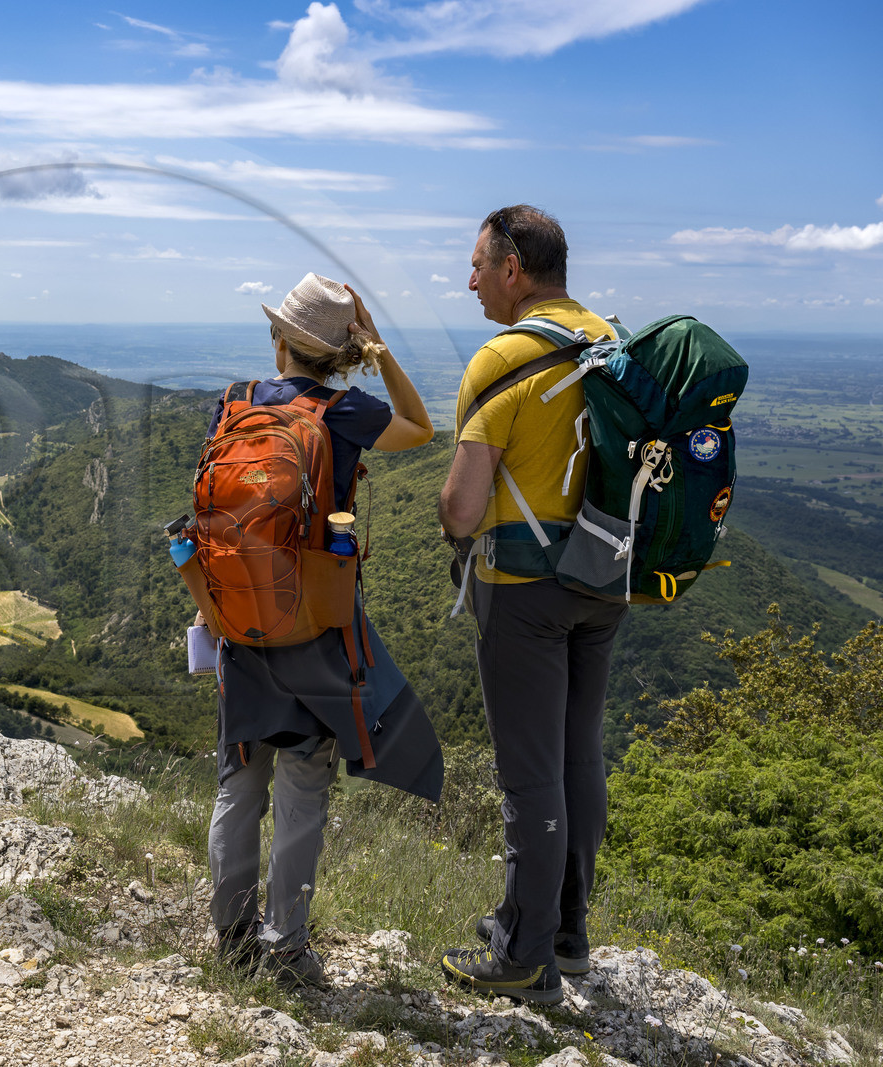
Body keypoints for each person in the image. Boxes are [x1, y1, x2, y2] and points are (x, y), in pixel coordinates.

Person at [207, 272, 442, 990]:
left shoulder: (235, 402)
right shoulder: (345, 412)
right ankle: (286, 946)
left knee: (238, 780)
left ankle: (231, 939)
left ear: (278, 339)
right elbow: (422, 426)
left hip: (240, 619)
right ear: (340, 352)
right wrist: (378, 350)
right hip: (314, 624)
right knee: (304, 783)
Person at [437, 205, 627, 1004]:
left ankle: (524, 956)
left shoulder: (501, 360)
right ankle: (568, 933)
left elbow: (461, 510)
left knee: (529, 773)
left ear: (513, 267)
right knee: (580, 752)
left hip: (523, 591)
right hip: (603, 580)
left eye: (479, 264)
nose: (470, 278)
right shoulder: (610, 342)